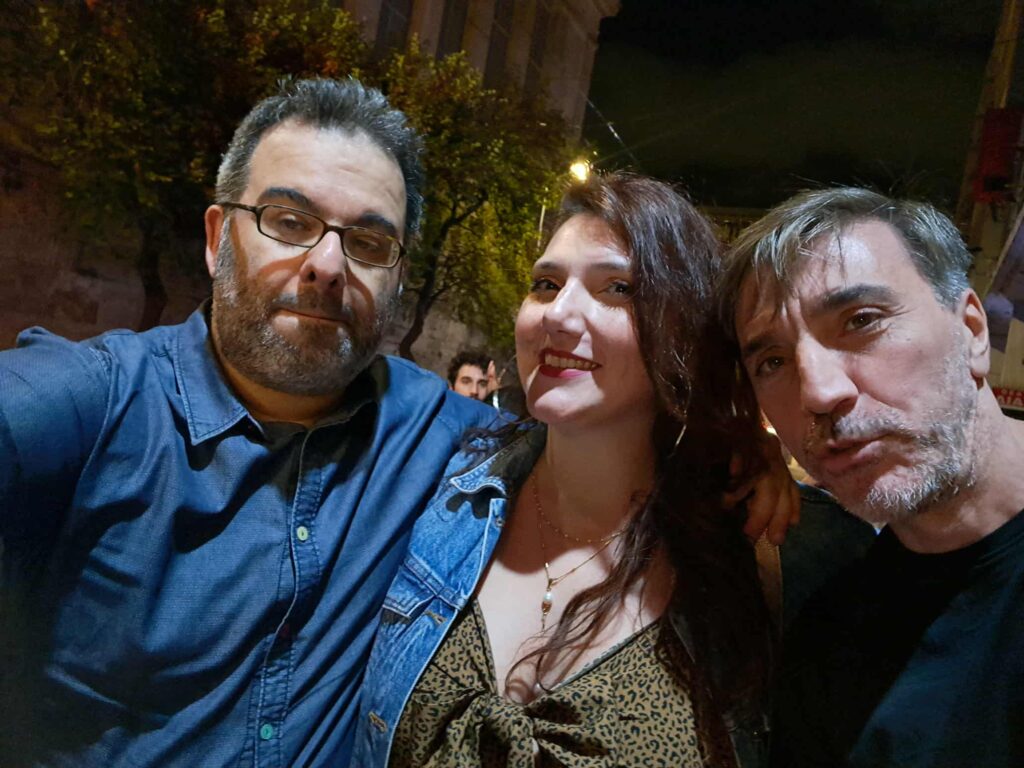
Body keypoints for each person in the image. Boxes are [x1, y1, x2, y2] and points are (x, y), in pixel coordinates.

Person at [0, 78, 496, 767]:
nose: (328, 265)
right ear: (217, 239)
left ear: (398, 278)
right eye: (288, 222)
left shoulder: (437, 434)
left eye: (367, 242)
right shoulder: (96, 403)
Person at [354, 173, 874, 767]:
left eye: (618, 289)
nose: (559, 314)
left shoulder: (782, 550)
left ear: (685, 330)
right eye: (546, 284)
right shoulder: (445, 483)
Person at [721, 187, 1024, 767]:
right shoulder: (829, 639)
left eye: (861, 321)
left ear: (972, 332)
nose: (818, 392)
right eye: (773, 362)